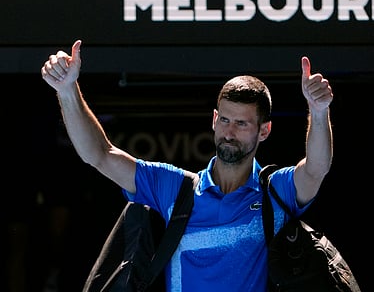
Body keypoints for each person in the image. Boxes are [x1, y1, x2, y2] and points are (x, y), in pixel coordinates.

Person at [40, 39, 334, 292]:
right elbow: (99, 154)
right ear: (214, 119)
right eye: (225, 120)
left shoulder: (275, 193)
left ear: (264, 130)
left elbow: (315, 169)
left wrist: (319, 112)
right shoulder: (174, 189)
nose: (229, 133)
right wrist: (67, 90)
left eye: (242, 124)